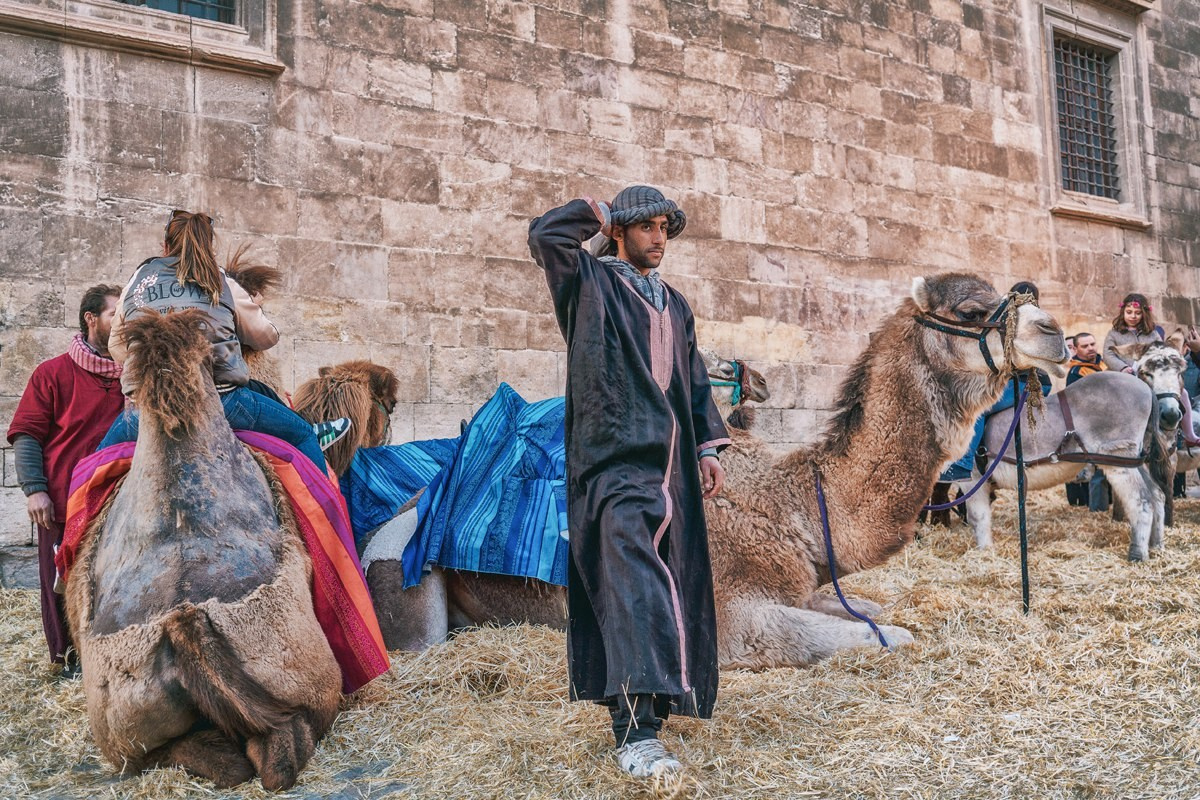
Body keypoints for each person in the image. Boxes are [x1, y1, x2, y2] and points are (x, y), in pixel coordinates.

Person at [528, 186, 730, 779]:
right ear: (620, 231)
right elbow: (546, 237)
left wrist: (707, 446)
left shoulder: (677, 304)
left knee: (674, 585)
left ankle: (661, 710)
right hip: (612, 467)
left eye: (665, 227)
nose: (659, 238)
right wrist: (597, 211)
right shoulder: (586, 285)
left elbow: (693, 384)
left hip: (672, 474)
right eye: (645, 227)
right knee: (631, 588)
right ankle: (634, 734)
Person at [98, 210, 348, 476]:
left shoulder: (138, 280)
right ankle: (326, 514)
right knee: (303, 436)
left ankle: (76, 517)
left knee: (93, 463)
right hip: (225, 402)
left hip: (151, 410)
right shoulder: (222, 281)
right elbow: (266, 336)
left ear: (165, 246)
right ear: (209, 246)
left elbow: (117, 347)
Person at [7, 285, 127, 674]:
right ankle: (68, 660)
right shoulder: (52, 373)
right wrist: (35, 490)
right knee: (58, 582)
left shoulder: (133, 378)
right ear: (91, 319)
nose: (122, 321)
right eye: (115, 314)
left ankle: (112, 658)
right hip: (61, 499)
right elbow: (27, 434)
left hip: (118, 501)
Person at [937, 281, 1051, 483]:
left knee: (978, 408)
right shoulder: (1012, 319)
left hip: (1028, 383)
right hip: (1012, 380)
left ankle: (962, 465)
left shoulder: (1029, 322)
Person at [1103, 293, 1162, 373]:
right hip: (1121, 375)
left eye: (1138, 313)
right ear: (1123, 312)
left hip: (1147, 373)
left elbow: (1161, 352)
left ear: (1144, 314)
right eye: (1129, 312)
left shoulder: (1153, 334)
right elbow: (1108, 355)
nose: (1133, 316)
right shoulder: (1114, 334)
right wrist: (1123, 367)